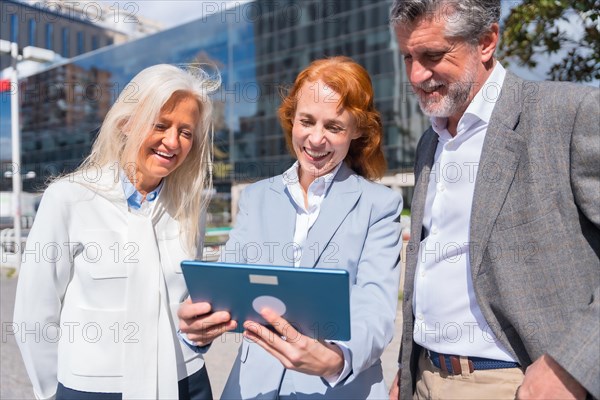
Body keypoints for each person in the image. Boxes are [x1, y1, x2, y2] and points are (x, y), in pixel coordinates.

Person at [387, 1, 600, 399]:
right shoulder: (429, 141)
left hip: (518, 383)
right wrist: (409, 364)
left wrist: (574, 365)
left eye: (433, 55)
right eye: (408, 58)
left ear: (486, 41)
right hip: (425, 378)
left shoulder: (570, 115)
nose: (416, 75)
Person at [178, 56, 404, 398]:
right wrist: (199, 324)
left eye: (334, 127)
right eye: (307, 121)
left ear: (357, 130)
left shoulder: (379, 205)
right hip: (254, 387)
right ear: (291, 120)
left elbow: (375, 306)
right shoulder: (256, 198)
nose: (315, 139)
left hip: (337, 388)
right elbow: (230, 282)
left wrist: (336, 359)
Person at [13, 64, 221, 399]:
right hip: (94, 389)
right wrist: (55, 393)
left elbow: (187, 306)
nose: (172, 141)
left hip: (186, 383)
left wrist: (199, 334)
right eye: (161, 125)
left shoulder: (189, 208)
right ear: (126, 123)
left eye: (185, 132)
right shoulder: (68, 199)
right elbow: (33, 316)